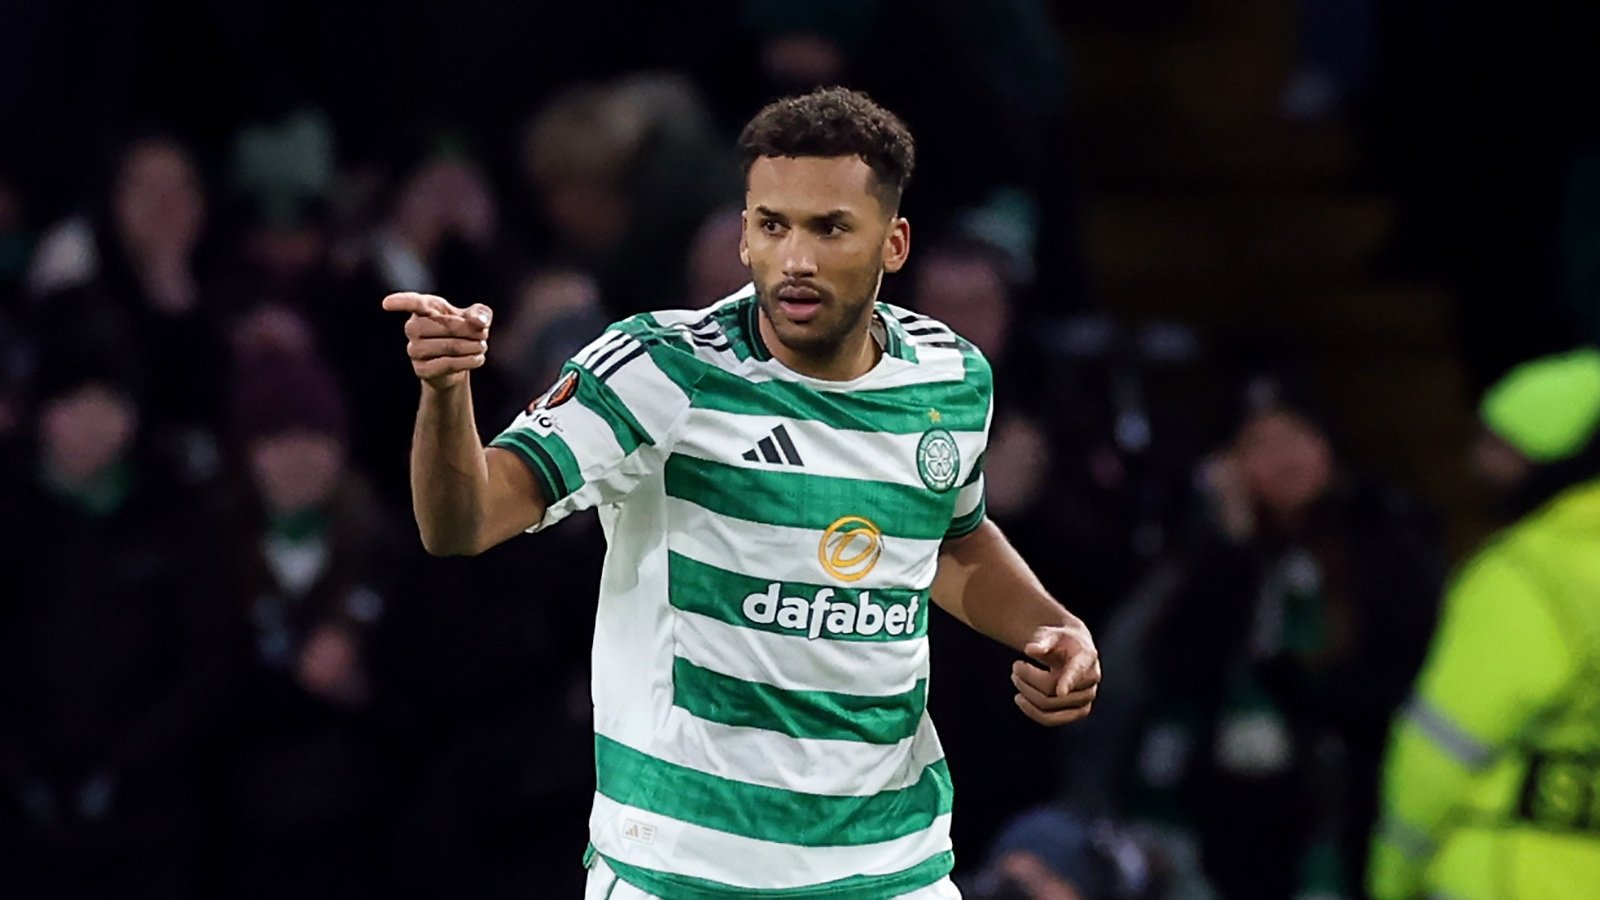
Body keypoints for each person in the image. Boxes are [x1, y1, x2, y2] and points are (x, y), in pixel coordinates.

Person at [382, 87, 1101, 898]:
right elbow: (463, 523)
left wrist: (1053, 628)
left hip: (893, 868)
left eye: (829, 228)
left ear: (893, 243)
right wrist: (445, 391)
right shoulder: (659, 368)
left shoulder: (951, 377)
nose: (795, 258)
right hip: (683, 871)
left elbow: (951, 538)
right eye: (772, 225)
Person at [1368, 346, 1600, 899]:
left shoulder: (1526, 574)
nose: (1478, 465)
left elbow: (1438, 752)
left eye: (1501, 447)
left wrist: (1391, 878)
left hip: (1508, 874)